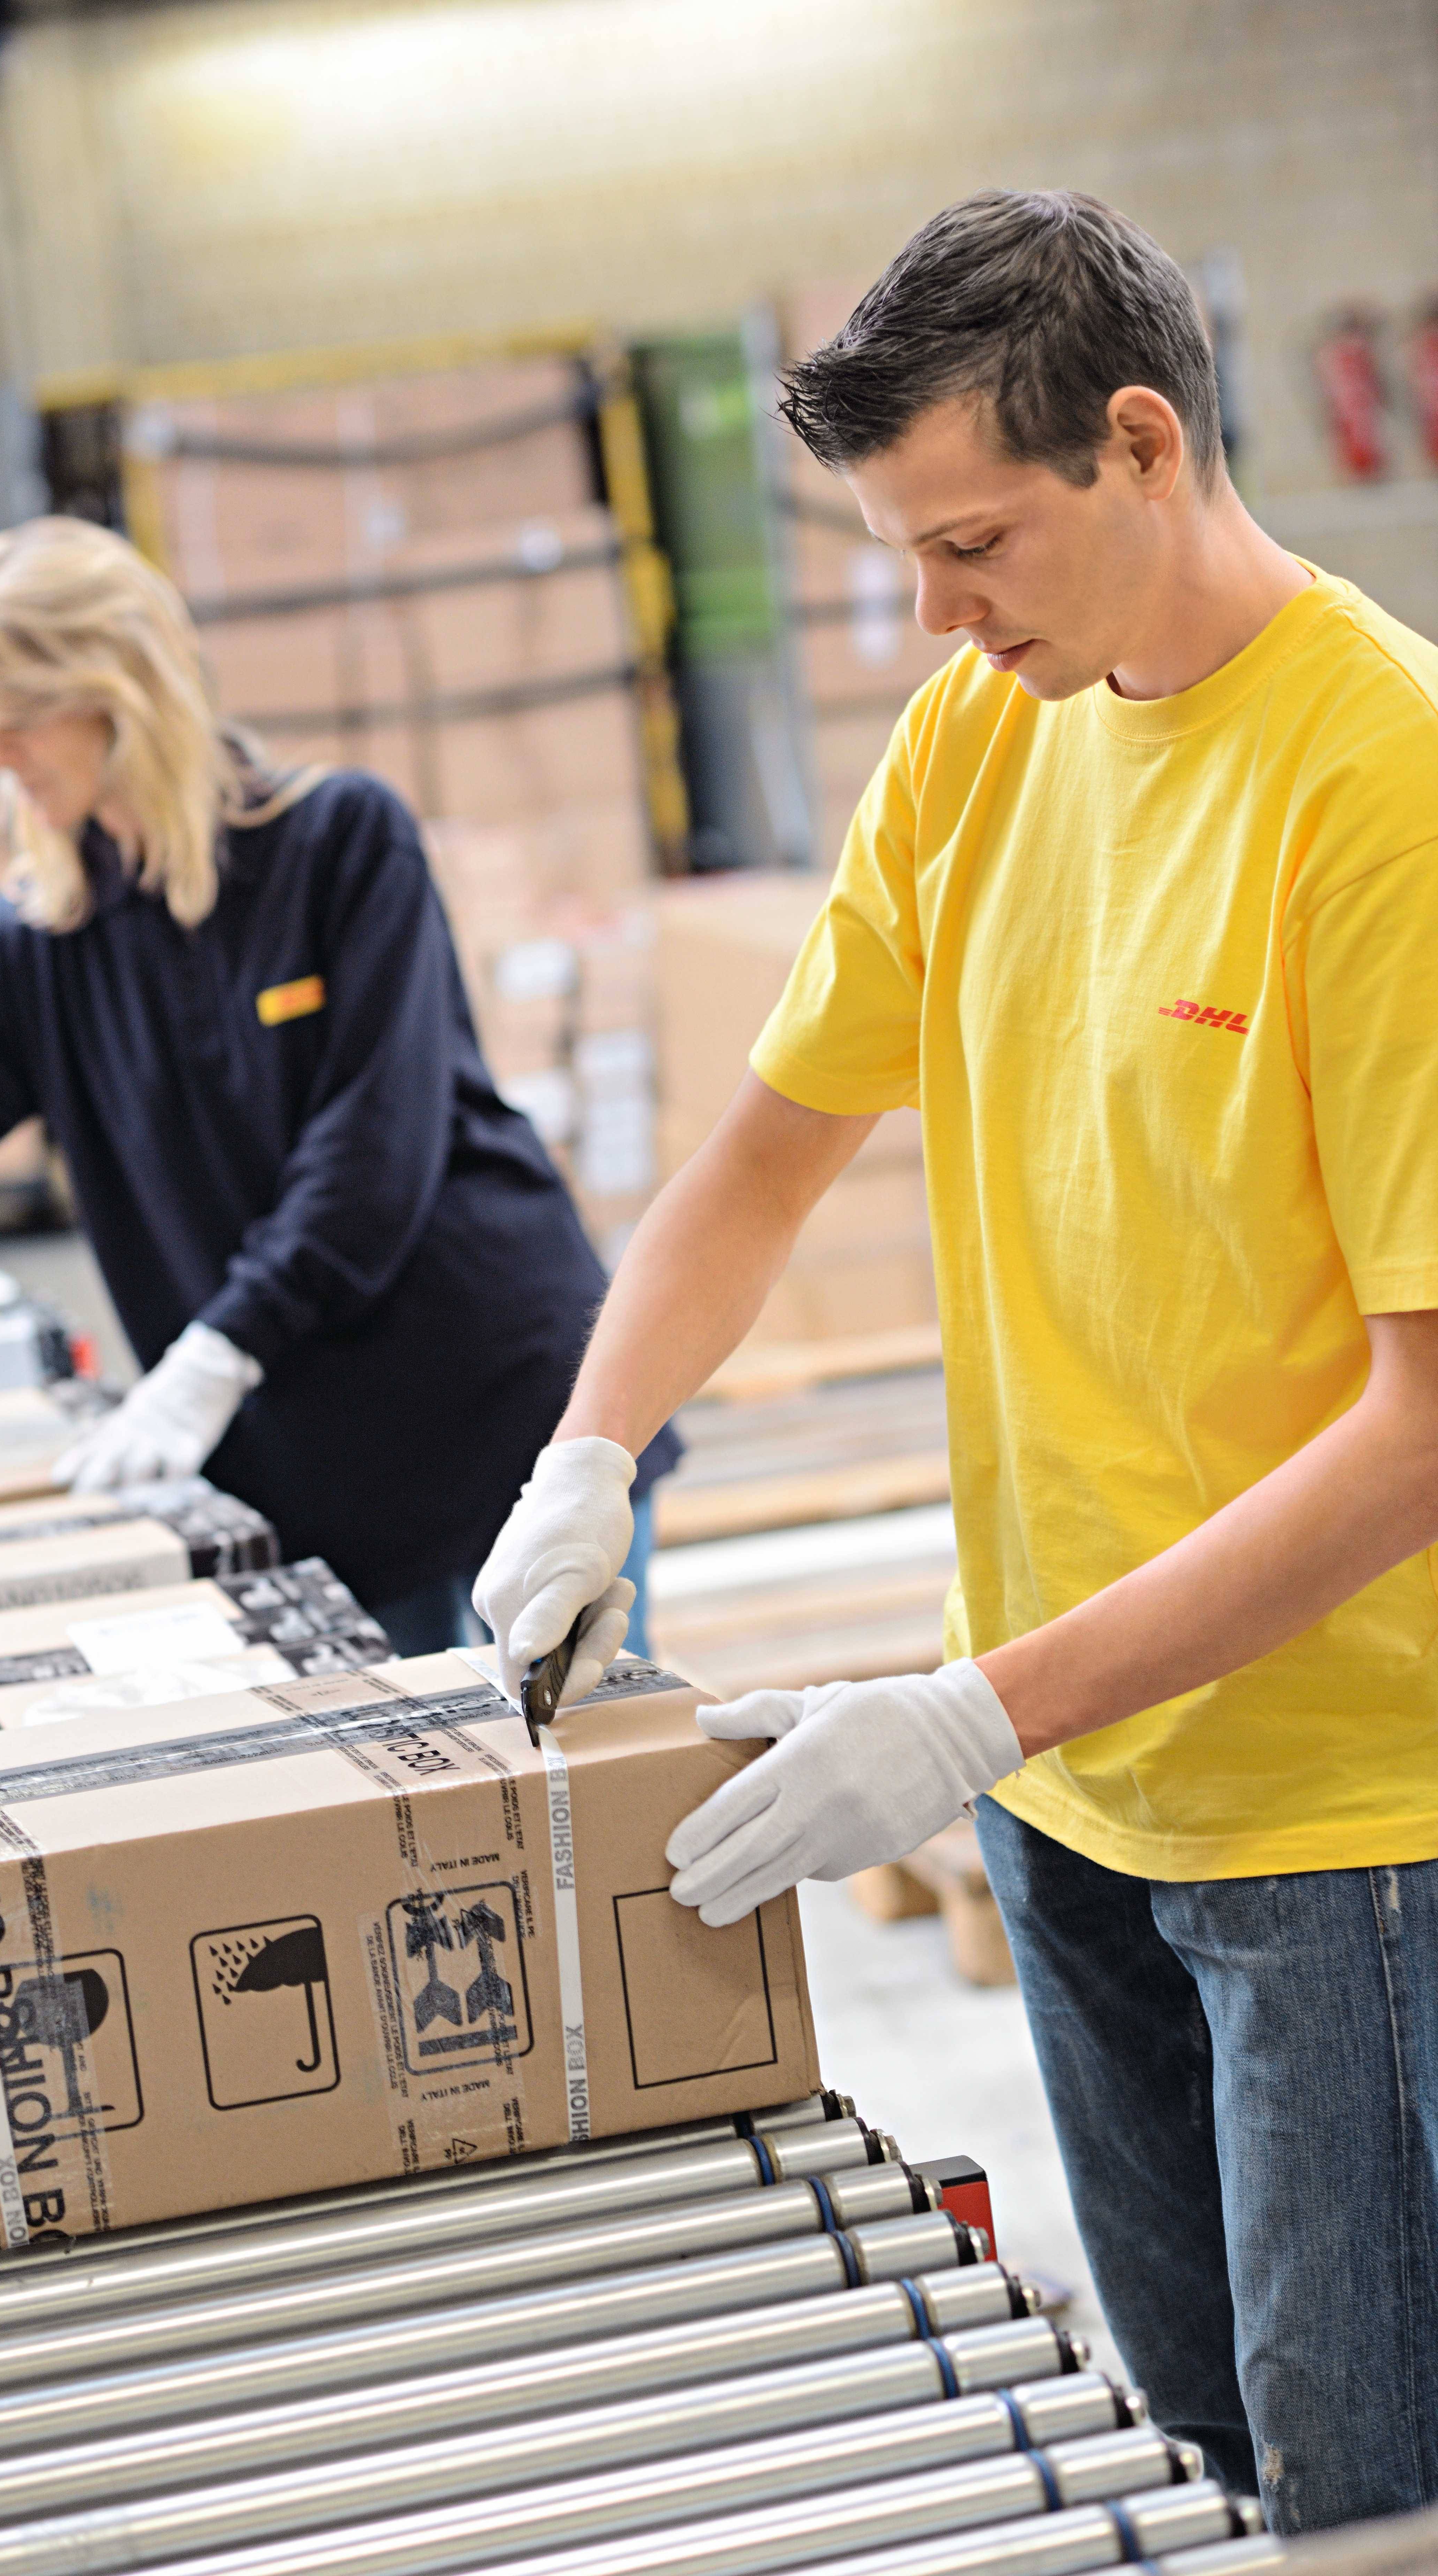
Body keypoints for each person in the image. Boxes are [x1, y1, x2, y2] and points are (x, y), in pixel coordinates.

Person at [475, 190, 1438, 2535]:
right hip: (1054, 1792)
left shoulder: (1377, 781)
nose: (931, 612)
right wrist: (591, 1453)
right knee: (1193, 2452)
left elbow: (1422, 1427)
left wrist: (975, 1709)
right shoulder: (973, 745)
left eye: (971, 541)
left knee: (1365, 2493)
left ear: (1139, 443)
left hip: (1332, 1824)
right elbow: (756, 1165)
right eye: (899, 555)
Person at [0, 517, 675, 1651]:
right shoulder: (38, 949)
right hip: (314, 1472)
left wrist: (218, 1351)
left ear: (120, 695)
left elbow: (374, 1151)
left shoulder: (338, 846)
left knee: (578, 1793)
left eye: (19, 719)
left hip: (492, 1412)